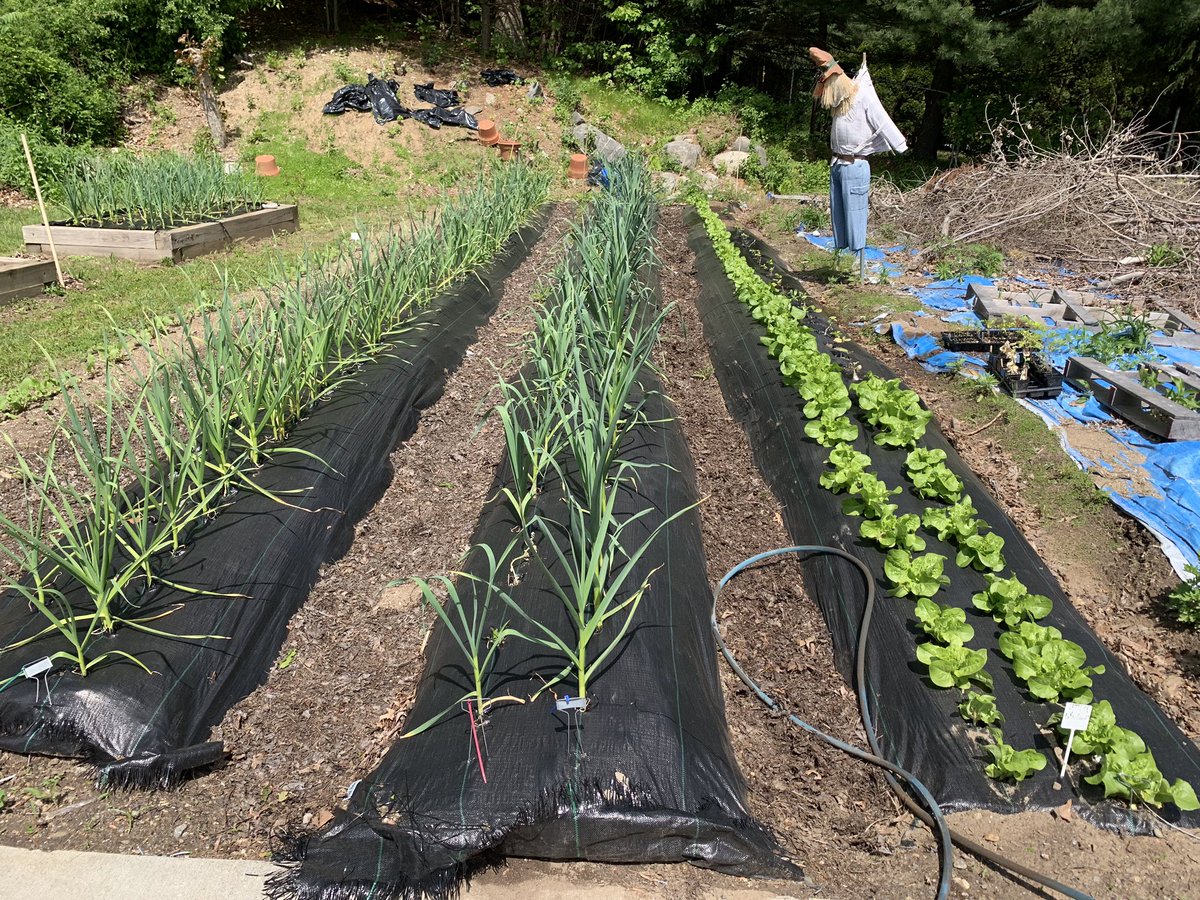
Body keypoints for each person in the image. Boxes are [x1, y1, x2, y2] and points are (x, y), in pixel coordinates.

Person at [809, 47, 907, 281]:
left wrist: (900, 145)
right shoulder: (840, 102)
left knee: (855, 216)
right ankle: (840, 256)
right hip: (837, 163)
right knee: (839, 214)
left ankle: (858, 266)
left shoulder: (861, 95)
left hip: (855, 165)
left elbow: (882, 119)